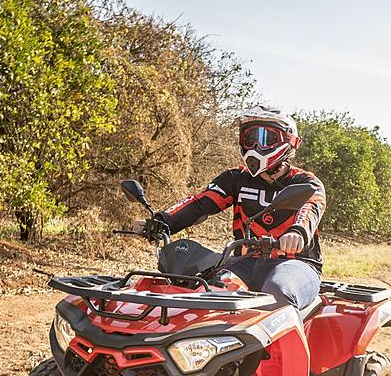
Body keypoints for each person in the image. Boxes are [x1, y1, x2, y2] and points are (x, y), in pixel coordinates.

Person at [133, 106, 326, 309]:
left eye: (266, 138)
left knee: (278, 291)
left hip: (297, 264)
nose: (256, 146)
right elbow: (200, 203)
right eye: (249, 138)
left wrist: (297, 232)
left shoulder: (306, 182)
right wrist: (160, 222)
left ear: (288, 142)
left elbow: (310, 210)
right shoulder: (235, 178)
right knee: (207, 290)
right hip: (244, 261)